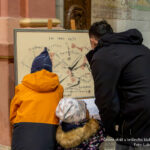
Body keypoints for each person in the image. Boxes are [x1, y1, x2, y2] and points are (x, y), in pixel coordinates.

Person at [86, 20, 150, 149]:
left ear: (93, 41)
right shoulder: (141, 48)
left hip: (137, 116)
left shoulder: (103, 55)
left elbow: (106, 99)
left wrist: (110, 129)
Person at [10, 47, 64, 150]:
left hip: (22, 133)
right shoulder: (59, 89)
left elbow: (13, 114)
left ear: (33, 69)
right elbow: (60, 113)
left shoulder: (21, 87)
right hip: (49, 134)